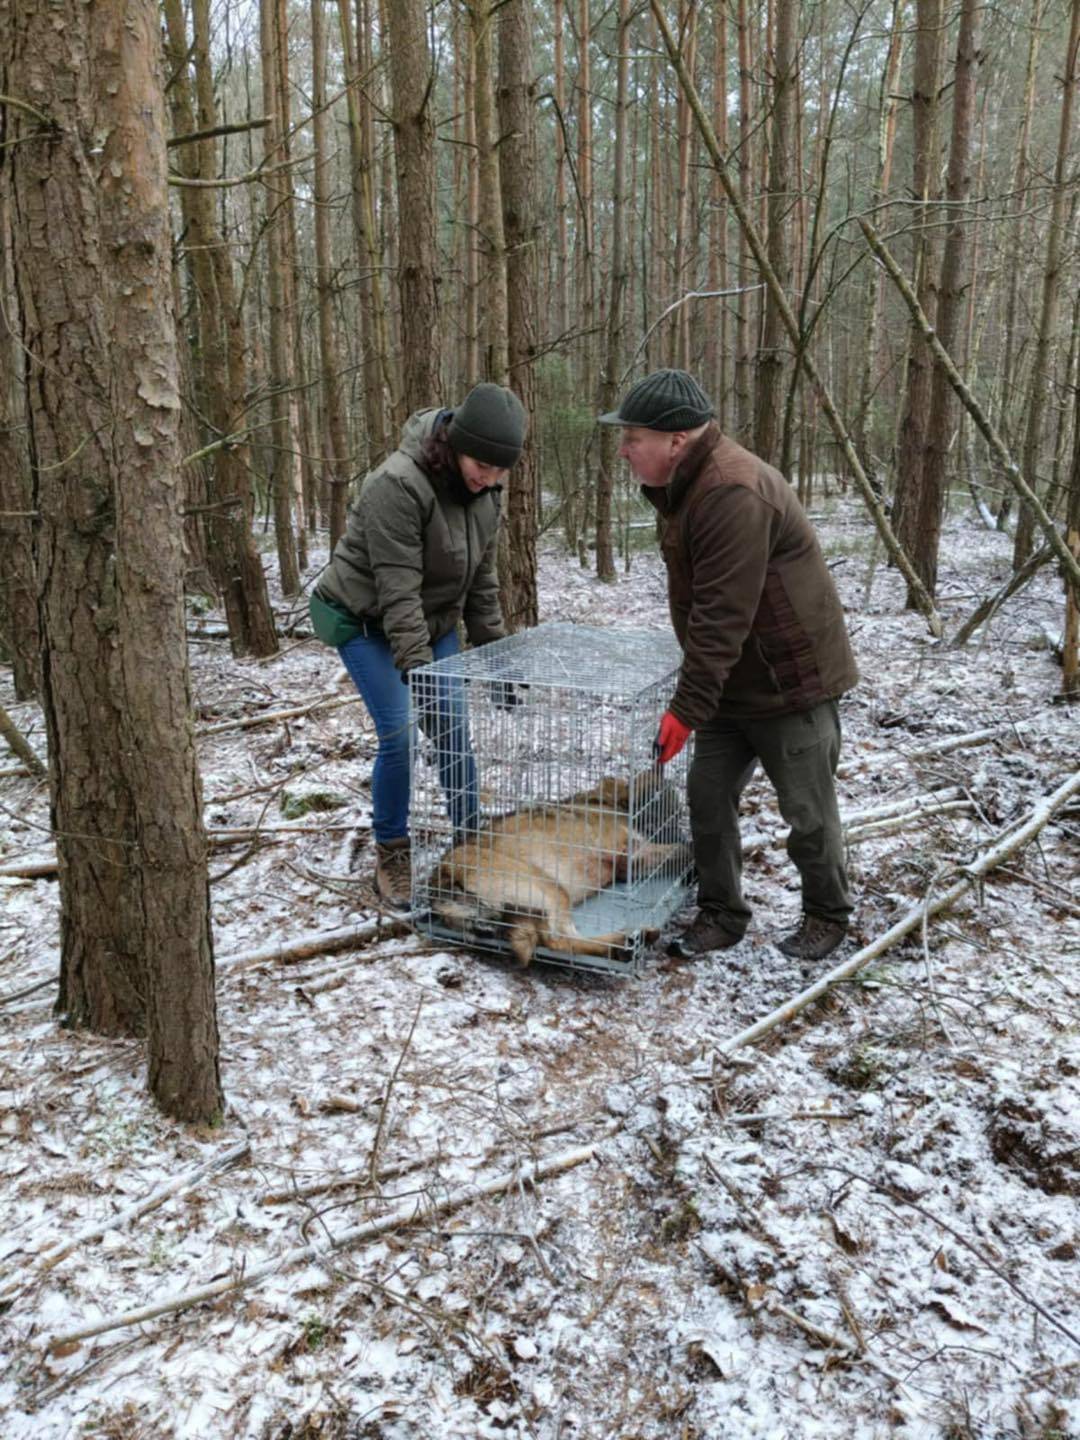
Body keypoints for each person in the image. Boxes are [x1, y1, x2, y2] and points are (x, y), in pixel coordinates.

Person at [598, 368, 858, 962]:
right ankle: (721, 911)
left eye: (633, 438)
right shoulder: (687, 486)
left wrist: (685, 709)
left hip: (791, 680)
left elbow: (722, 616)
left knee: (808, 811)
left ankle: (827, 913)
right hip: (732, 682)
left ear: (676, 440)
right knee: (708, 797)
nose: (624, 450)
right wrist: (699, 700)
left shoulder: (731, 491)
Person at [309, 382, 527, 910]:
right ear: (456, 444)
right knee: (401, 732)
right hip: (364, 619)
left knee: (452, 727)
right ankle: (392, 851)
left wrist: (496, 658)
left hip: (432, 619)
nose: (489, 478)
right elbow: (397, 590)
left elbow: (481, 583)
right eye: (482, 465)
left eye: (500, 470)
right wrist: (417, 669)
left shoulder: (486, 494)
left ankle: (472, 840)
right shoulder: (397, 485)